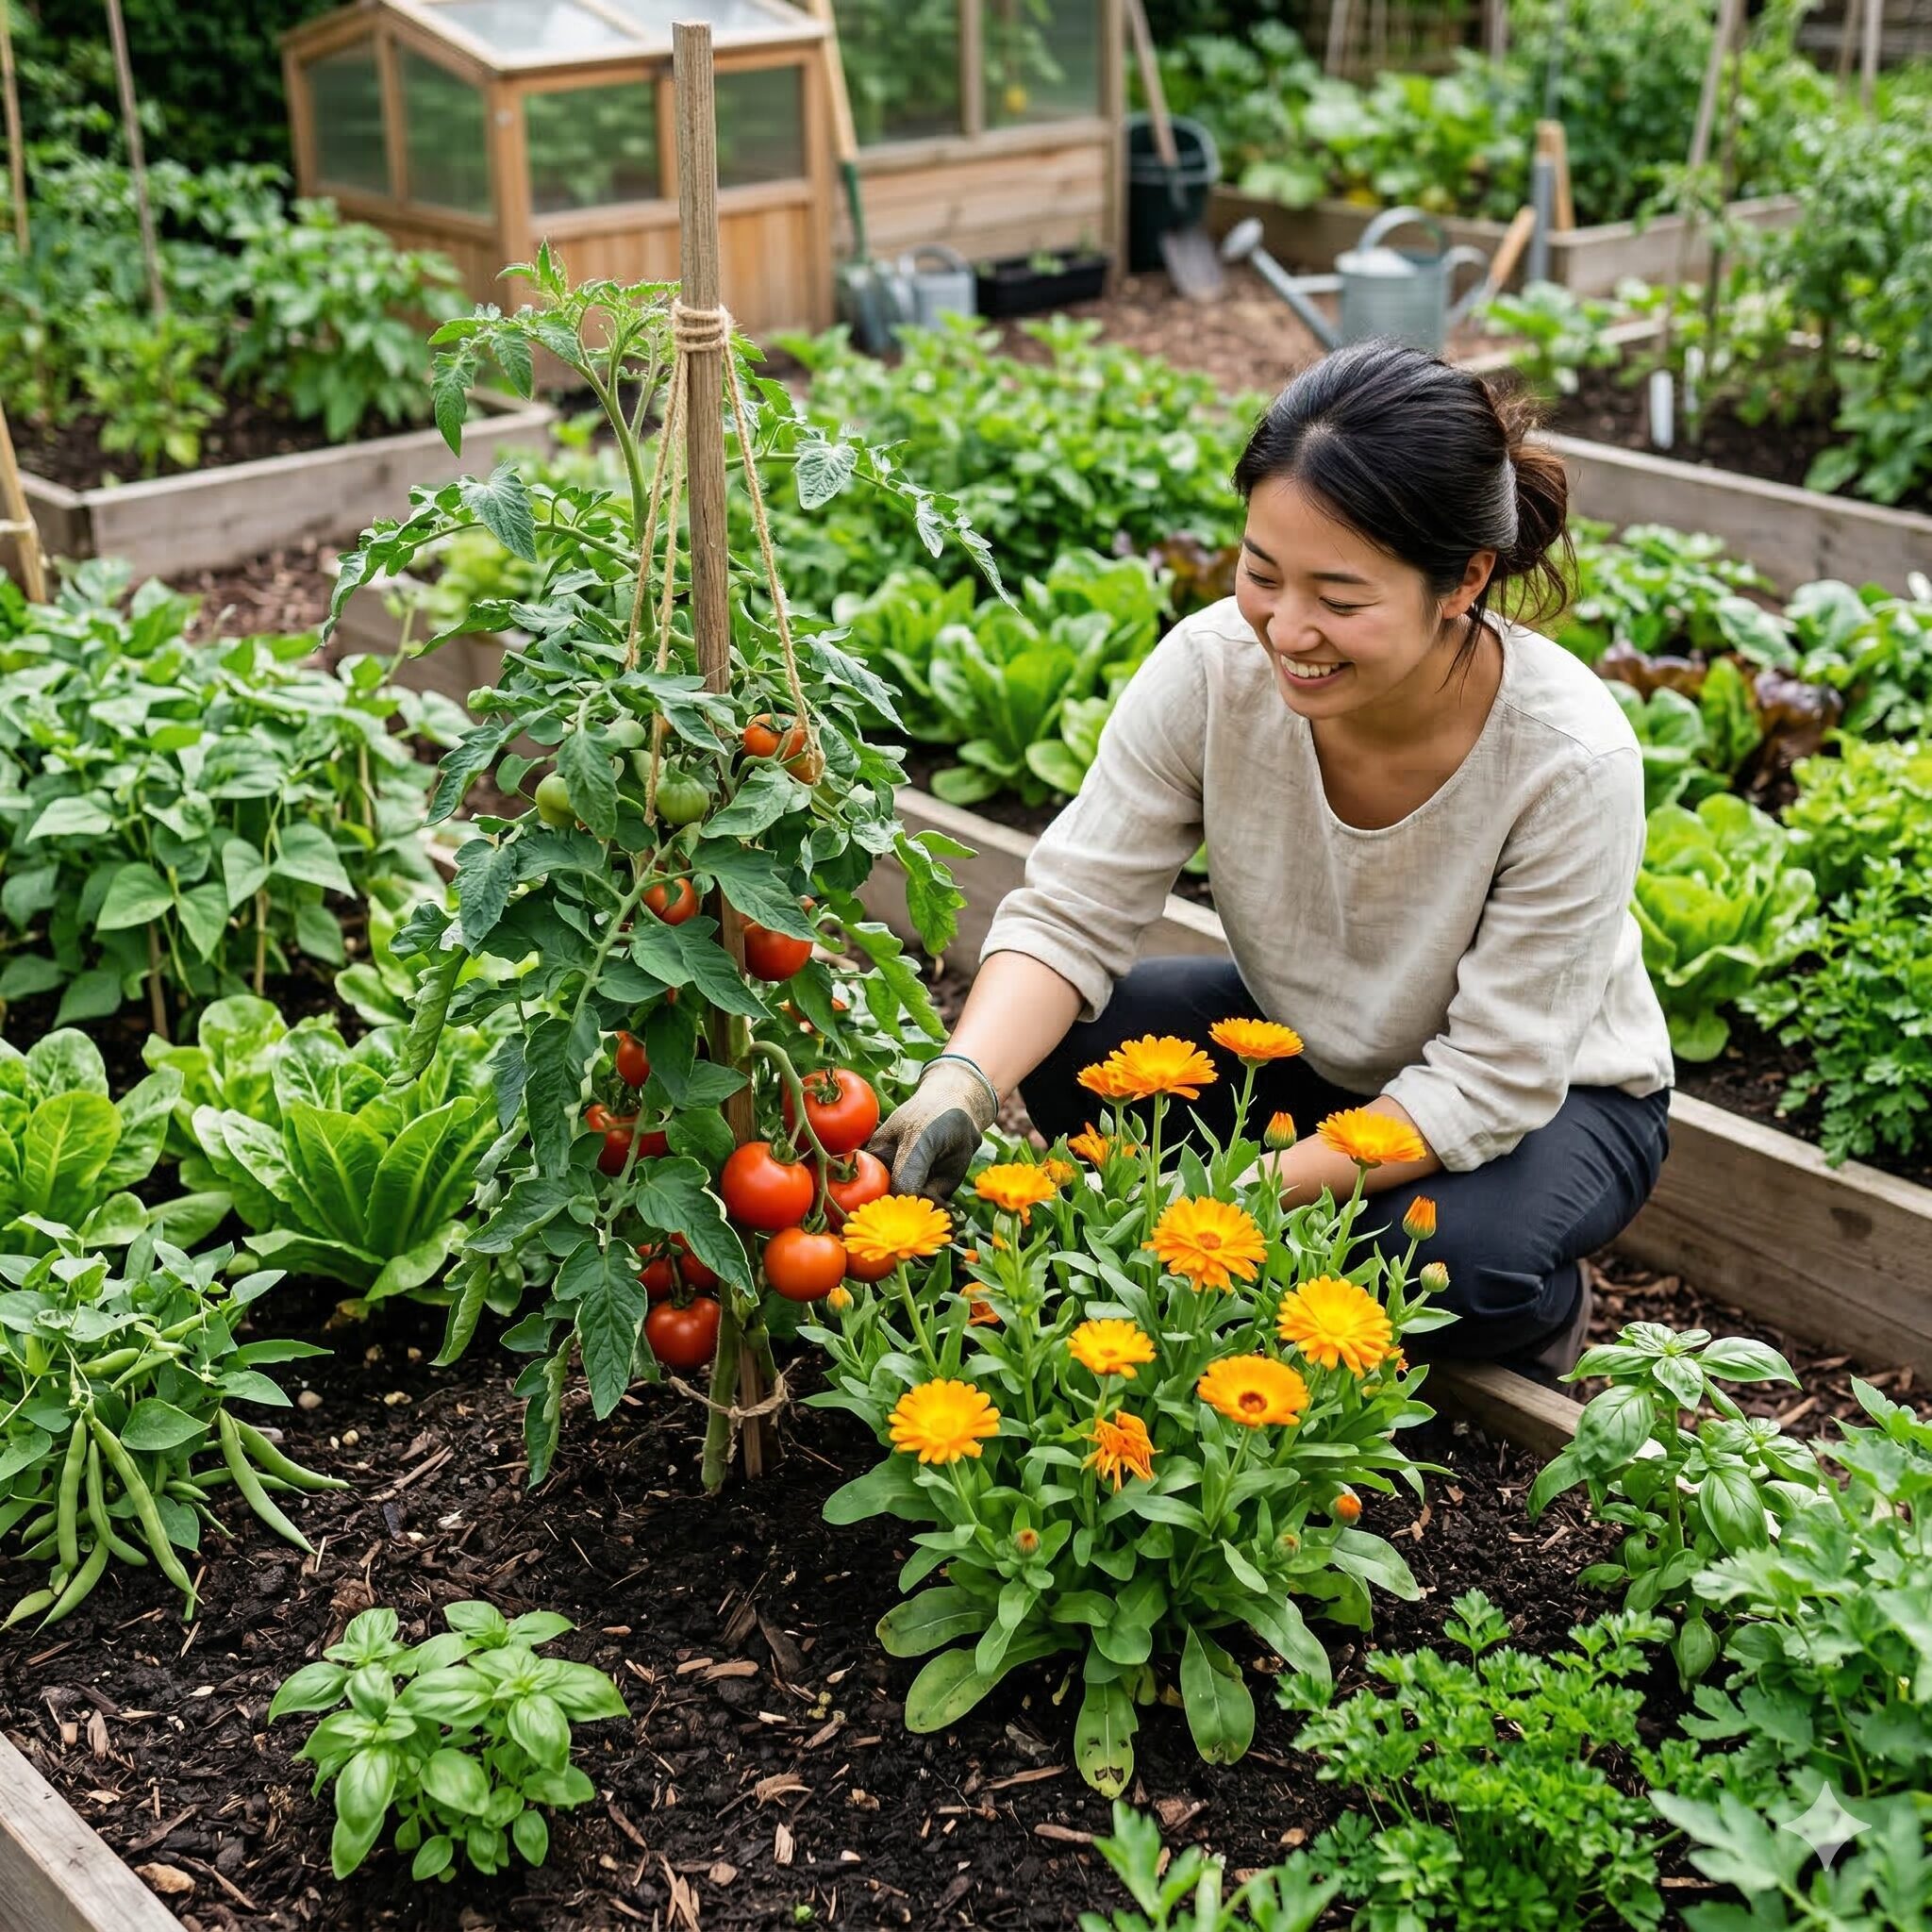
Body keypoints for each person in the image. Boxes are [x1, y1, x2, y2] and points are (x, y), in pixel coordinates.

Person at [865, 338, 1674, 1374]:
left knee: (1445, 1270)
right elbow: (1072, 911)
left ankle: (1539, 1311)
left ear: (1463, 579)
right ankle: (1287, 1228)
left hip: (1555, 1097)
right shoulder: (1212, 669)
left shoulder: (1567, 758)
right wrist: (961, 1081)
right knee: (1075, 1050)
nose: (1286, 629)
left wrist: (1233, 1202)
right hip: (1316, 1046)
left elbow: (1493, 1074)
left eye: (1339, 599)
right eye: (1259, 572)